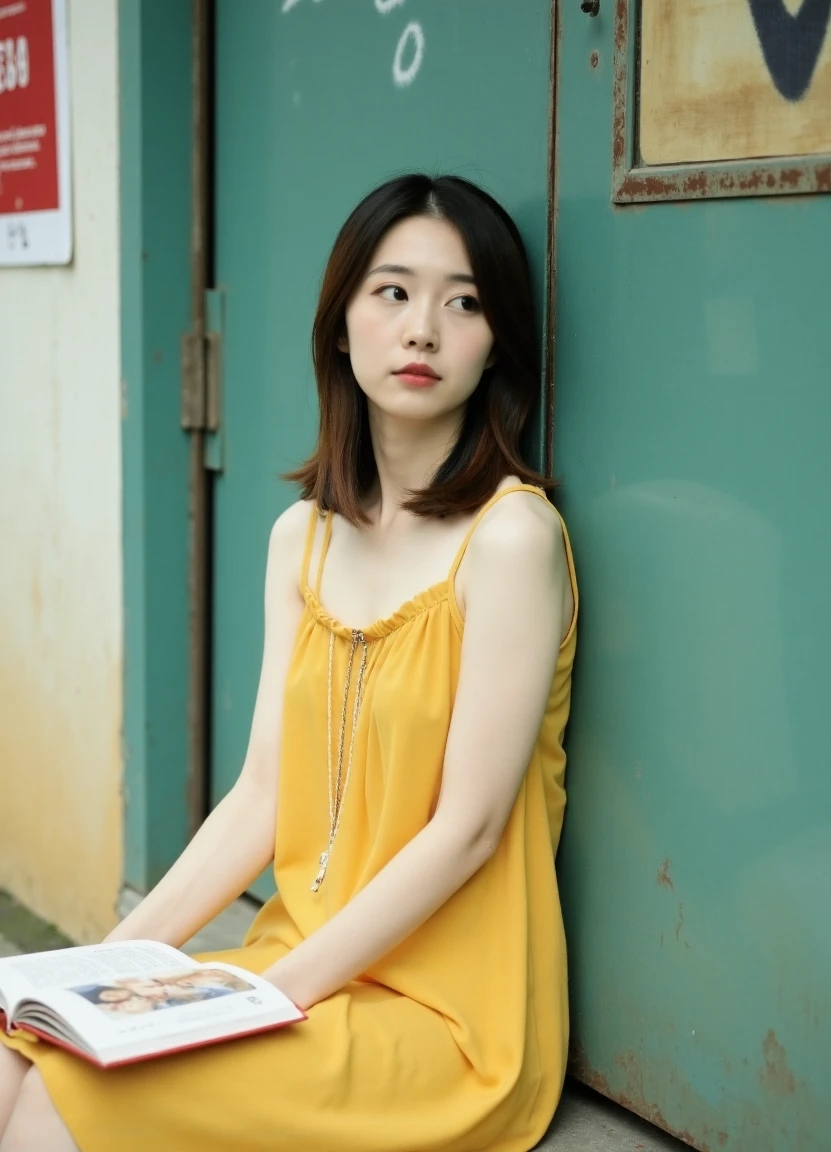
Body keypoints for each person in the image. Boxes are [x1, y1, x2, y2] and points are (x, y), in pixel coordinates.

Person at [0, 173, 578, 1151]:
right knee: (18, 1049)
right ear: (340, 324)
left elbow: (468, 831)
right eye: (391, 291)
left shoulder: (512, 541)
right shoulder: (298, 541)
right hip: (291, 967)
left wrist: (259, 1001)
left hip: (440, 1019)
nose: (423, 329)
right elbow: (262, 797)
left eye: (464, 301)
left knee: (70, 1102)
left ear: (496, 346)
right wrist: (88, 975)